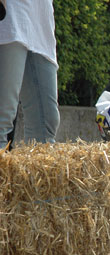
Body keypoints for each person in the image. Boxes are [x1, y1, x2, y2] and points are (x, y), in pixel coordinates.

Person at [0, 0, 60, 150]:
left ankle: (33, 174)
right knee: (3, 115)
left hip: (40, 19)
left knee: (45, 125)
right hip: (8, 17)